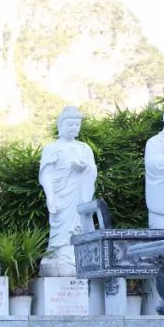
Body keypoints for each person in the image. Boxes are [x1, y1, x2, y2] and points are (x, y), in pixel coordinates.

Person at [39, 107, 97, 271]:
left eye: (77, 124)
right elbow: (46, 174)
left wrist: (84, 169)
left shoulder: (84, 148)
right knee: (61, 225)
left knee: (81, 223)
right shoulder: (52, 148)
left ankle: (80, 252)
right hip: (62, 194)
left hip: (80, 195)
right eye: (70, 124)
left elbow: (92, 170)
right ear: (60, 125)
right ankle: (60, 252)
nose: (74, 127)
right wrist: (51, 196)